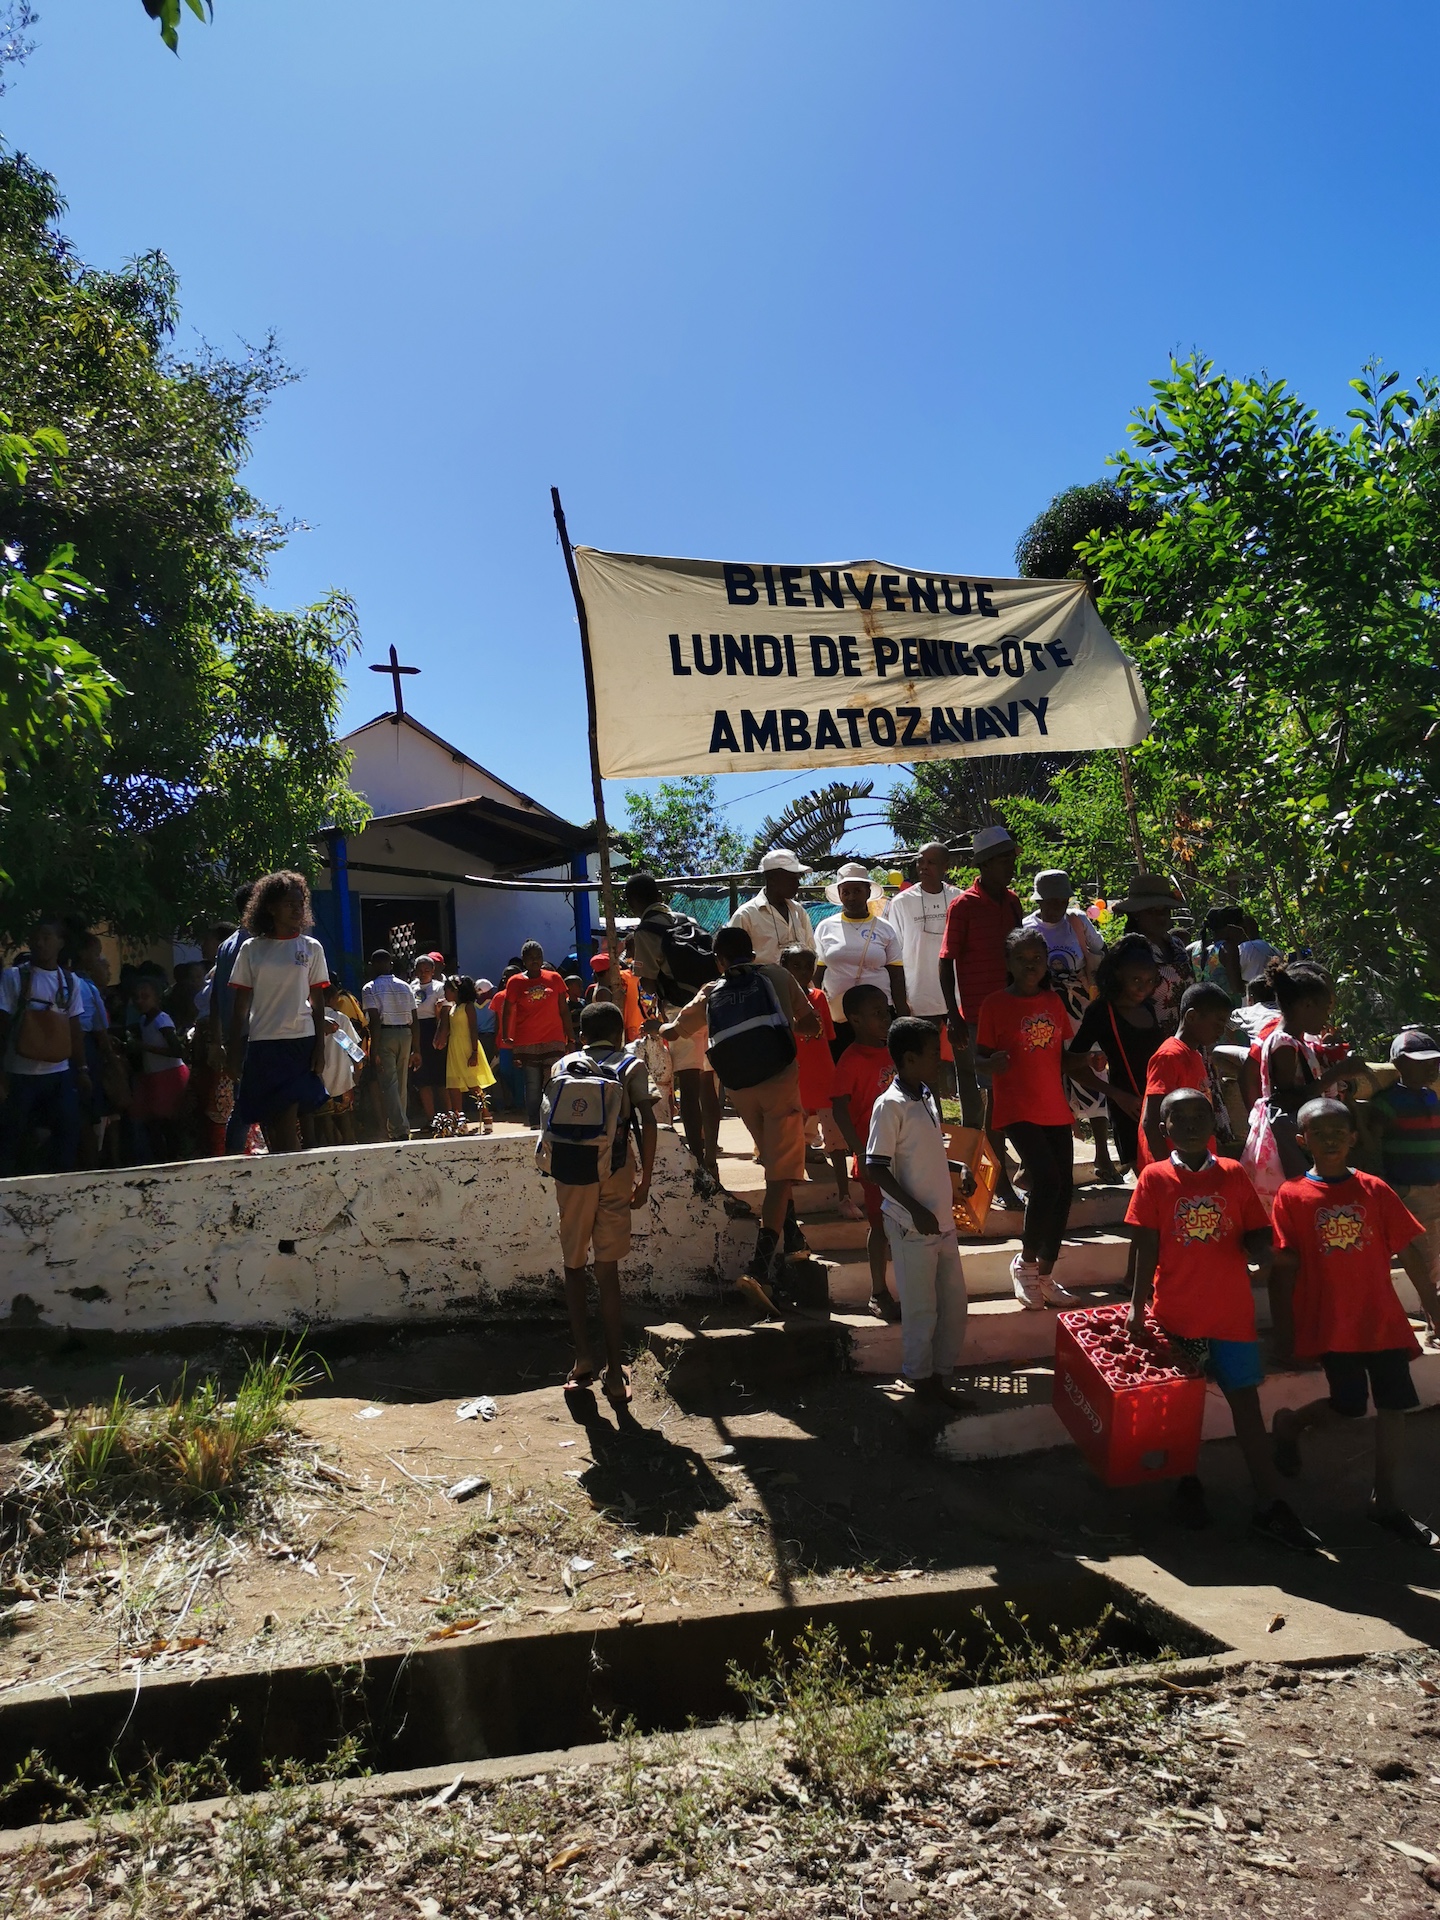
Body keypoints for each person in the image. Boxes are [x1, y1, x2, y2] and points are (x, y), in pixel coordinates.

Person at [1125, 1086, 1319, 1550]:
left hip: (1231, 1315)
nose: (1191, 1124)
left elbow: (1254, 1229)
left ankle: (1270, 1503)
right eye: (1180, 1117)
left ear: (1215, 1124)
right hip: (1177, 1315)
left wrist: (1263, 1251)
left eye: (1201, 1115)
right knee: (1182, 1410)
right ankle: (1187, 1485)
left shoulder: (1232, 1173)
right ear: (1164, 1128)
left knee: (1246, 1406)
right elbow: (1145, 1244)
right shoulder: (1153, 1178)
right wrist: (1136, 1306)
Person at [1269, 1098, 1440, 1548]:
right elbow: (1284, 1267)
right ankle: (1290, 1424)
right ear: (1302, 1141)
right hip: (1332, 1322)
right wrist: (1286, 1332)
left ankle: (1385, 1501)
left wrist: (1432, 1308)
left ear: (1353, 1138)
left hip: (1380, 1319)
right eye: (1318, 1133)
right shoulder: (1292, 1196)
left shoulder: (1374, 1190)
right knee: (1347, 1406)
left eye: (1338, 1133)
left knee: (1394, 1405)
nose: (1329, 1140)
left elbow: (1409, 1251)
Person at [661, 923, 820, 1313]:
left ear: (719, 960)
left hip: (739, 1087)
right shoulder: (777, 975)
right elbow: (810, 1021)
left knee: (774, 1159)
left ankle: (795, 1240)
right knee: (780, 1174)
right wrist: (801, 1027)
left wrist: (661, 1026)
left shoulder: (712, 989)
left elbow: (677, 1030)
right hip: (779, 1079)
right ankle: (759, 1268)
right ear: (752, 951)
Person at [544, 998, 657, 1417]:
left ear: (581, 1035)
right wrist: (646, 1178)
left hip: (572, 1173)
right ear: (620, 1033)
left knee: (573, 1266)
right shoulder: (630, 1065)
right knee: (607, 1270)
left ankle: (582, 1361)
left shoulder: (563, 1065)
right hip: (616, 1171)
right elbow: (648, 1121)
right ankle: (614, 1373)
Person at [866, 1016, 976, 1405]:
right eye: (932, 1053)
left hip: (941, 1223)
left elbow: (925, 1152)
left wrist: (957, 1167)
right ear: (909, 1059)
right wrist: (915, 1210)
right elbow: (875, 1166)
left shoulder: (926, 1095)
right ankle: (921, 1381)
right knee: (921, 1310)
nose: (939, 1059)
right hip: (912, 1226)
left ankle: (940, 1376)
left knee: (954, 1307)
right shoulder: (889, 1105)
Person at [975, 925, 1084, 1310]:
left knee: (1064, 1189)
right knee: (1047, 1180)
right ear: (1008, 963)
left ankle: (1046, 1276)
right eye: (1021, 959)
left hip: (1053, 1107)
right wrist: (990, 1063)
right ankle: (1025, 1263)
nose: (1030, 965)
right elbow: (978, 1057)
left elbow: (1061, 1058)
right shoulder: (994, 1005)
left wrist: (1088, 1060)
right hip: (1016, 1107)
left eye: (1037, 958)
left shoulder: (1053, 1002)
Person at [939, 824, 1025, 1209]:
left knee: (1012, 1096)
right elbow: (946, 961)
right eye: (1004, 860)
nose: (1011, 866)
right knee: (989, 1100)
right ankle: (997, 1181)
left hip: (1013, 1012)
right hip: (977, 1016)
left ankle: (1011, 1173)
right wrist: (953, 1016)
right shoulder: (963, 906)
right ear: (986, 864)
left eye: (1011, 859)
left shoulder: (1013, 902)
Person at [627, 872, 721, 1192]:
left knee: (689, 1090)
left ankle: (698, 1161)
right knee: (709, 1088)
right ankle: (712, 1158)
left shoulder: (645, 930)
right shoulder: (686, 919)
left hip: (679, 1011)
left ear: (634, 901)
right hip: (708, 1005)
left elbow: (648, 981)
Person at [225, 872, 329, 1155]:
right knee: (271, 1124)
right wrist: (233, 1051)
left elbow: (318, 1001)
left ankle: (295, 1171)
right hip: (263, 1044)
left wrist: (319, 1048)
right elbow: (240, 1006)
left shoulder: (311, 948)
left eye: (300, 903)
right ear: (270, 908)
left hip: (300, 1042)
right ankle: (284, 1171)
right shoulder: (251, 949)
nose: (297, 909)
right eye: (289, 904)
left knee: (288, 1118)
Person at [1240, 959, 1348, 1213]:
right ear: (1306, 1005)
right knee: (1299, 1199)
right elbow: (1286, 1097)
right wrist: (1337, 1074)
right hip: (1286, 1137)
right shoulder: (1284, 1044)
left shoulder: (1297, 1041)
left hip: (1295, 1133)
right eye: (1324, 1009)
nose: (1326, 1017)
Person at [831, 983, 903, 1320]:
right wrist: (860, 1152)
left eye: (886, 1011)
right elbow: (840, 1108)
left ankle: (915, 1287)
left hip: (905, 1153)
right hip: (876, 1158)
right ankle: (878, 1292)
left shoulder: (895, 1051)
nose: (885, 1018)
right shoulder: (851, 1060)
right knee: (880, 1224)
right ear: (855, 1019)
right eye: (876, 1013)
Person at [1064, 933, 1162, 1179]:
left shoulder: (1149, 1007)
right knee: (1149, 1180)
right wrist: (1116, 1095)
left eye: (1150, 980)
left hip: (1158, 1105)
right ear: (1118, 974)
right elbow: (1069, 1063)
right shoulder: (1101, 1011)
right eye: (1136, 979)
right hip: (1129, 1108)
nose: (1143, 987)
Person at [1362, 1030, 1440, 1339]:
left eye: (1434, 1061)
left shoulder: (1431, 1097)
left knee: (1431, 1255)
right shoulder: (1387, 1102)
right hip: (1408, 1188)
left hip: (1432, 1187)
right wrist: (1389, 1186)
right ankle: (1432, 1325)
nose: (1431, 1067)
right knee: (1421, 1256)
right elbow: (1373, 1145)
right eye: (1422, 1062)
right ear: (1399, 1064)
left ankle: (1432, 1321)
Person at [0, 915, 88, 1178]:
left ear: (60, 942)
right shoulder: (14, 977)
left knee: (67, 1132)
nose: (40, 943)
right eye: (35, 937)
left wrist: (82, 1069)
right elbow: (2, 1025)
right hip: (19, 1073)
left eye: (47, 937)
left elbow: (75, 1027)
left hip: (58, 1073)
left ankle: (59, 1186)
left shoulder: (71, 982)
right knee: (12, 1138)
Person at [779, 944, 854, 1215]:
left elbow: (828, 1037)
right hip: (794, 1078)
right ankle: (789, 1198)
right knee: (791, 1138)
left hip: (823, 1076)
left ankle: (845, 1196)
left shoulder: (819, 997)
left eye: (808, 967)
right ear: (783, 969)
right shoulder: (779, 1003)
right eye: (795, 966)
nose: (803, 972)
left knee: (836, 1139)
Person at [814, 862, 909, 1054]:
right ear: (839, 894)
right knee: (842, 1061)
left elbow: (896, 976)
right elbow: (817, 975)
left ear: (868, 892)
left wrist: (902, 1016)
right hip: (840, 1015)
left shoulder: (885, 928)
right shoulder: (825, 927)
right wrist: (817, 1011)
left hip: (879, 1014)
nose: (851, 897)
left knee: (882, 1063)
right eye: (846, 892)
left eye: (857, 891)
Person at [1139, 982, 1233, 1168]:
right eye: (1217, 1023)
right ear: (1192, 1016)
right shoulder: (1169, 1056)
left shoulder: (1195, 1055)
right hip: (1173, 1166)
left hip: (1194, 1165)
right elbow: (1151, 1122)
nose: (1221, 1031)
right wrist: (1166, 1170)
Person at [495, 940, 575, 1130]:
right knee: (532, 1084)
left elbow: (564, 1010)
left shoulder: (555, 978)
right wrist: (507, 1035)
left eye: (538, 957)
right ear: (523, 960)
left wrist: (571, 1038)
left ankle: (552, 1120)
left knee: (552, 1081)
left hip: (553, 1039)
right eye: (530, 958)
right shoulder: (515, 982)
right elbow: (508, 1011)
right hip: (527, 1041)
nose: (535, 961)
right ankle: (535, 1122)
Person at [882, 841, 961, 1034]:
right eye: (920, 861)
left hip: (957, 999)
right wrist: (902, 1001)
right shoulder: (901, 902)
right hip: (918, 1000)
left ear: (946, 867)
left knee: (962, 1052)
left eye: (931, 862)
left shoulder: (959, 898)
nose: (924, 866)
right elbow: (895, 954)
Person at [207, 883, 258, 1155]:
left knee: (245, 1099)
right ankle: (234, 1153)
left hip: (234, 1034)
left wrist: (218, 1040)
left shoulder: (226, 946)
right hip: (254, 1032)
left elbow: (215, 997)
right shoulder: (253, 944)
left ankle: (234, 1152)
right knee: (251, 1101)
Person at [1111, 873, 1194, 1034]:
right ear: (1136, 914)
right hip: (1146, 1038)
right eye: (1152, 911)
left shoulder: (1177, 945)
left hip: (1184, 1038)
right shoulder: (1127, 951)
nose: (1161, 916)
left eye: (1165, 910)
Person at [128, 973, 190, 1161]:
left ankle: (173, 1159)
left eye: (145, 997)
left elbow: (177, 1051)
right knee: (154, 1123)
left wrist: (143, 1047)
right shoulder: (143, 1020)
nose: (140, 1001)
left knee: (168, 1124)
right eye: (136, 997)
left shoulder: (161, 1020)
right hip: (154, 1077)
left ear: (157, 998)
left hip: (170, 1077)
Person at [362, 948, 422, 1141]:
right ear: (391, 964)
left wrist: (374, 1050)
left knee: (389, 1084)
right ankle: (398, 1127)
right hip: (405, 1034)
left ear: (372, 965)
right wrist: (417, 1049)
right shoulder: (405, 987)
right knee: (401, 1084)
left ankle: (400, 1129)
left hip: (385, 1035)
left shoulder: (369, 988)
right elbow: (415, 1018)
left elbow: (374, 1021)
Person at [727, 847, 816, 966]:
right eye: (791, 878)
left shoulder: (799, 911)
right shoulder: (746, 915)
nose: (797, 883)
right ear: (772, 879)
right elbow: (734, 963)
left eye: (797, 878)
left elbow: (811, 950)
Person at [310, 982, 364, 1147]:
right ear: (332, 999)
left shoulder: (309, 1020)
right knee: (345, 1122)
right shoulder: (341, 1019)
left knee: (324, 1124)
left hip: (319, 1082)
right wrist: (356, 1075)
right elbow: (354, 1052)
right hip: (342, 1081)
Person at [441, 974, 495, 1131]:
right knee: (453, 1085)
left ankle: (486, 1115)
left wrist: (474, 1052)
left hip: (466, 1048)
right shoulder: (452, 1008)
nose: (445, 993)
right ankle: (460, 1120)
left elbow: (473, 1030)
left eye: (447, 990)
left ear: (455, 991)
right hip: (454, 1048)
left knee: (473, 1085)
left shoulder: (468, 1007)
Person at [410, 953, 446, 1126]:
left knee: (440, 1078)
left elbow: (444, 1012)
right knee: (422, 1078)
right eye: (420, 970)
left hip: (434, 1029)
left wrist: (441, 1033)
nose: (423, 973)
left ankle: (449, 1117)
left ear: (433, 970)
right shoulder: (411, 988)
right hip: (417, 1031)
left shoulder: (439, 987)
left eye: (427, 970)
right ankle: (431, 1119)